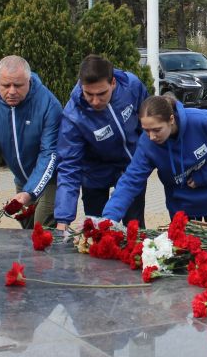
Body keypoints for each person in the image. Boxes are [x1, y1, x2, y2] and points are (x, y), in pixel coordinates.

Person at [102, 95, 207, 226]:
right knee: (186, 248)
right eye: (146, 130)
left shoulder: (202, 120)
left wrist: (206, 175)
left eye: (157, 130)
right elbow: (131, 180)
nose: (152, 136)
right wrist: (109, 218)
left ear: (171, 120)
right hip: (182, 206)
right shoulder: (147, 144)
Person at [54, 55, 149, 234]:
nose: (96, 101)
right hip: (94, 176)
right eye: (89, 94)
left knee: (134, 231)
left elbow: (147, 120)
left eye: (101, 94)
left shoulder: (132, 86)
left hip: (130, 170)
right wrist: (63, 219)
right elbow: (68, 166)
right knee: (97, 233)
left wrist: (143, 159)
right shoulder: (73, 116)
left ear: (113, 83)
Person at [0, 55, 62, 228]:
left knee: (42, 228)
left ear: (28, 80)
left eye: (18, 85)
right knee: (26, 231)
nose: (12, 91)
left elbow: (49, 152)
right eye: (6, 86)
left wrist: (29, 192)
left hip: (53, 177)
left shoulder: (48, 104)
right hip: (21, 179)